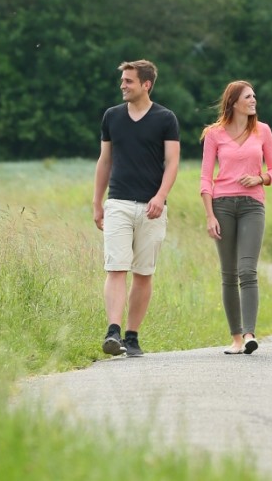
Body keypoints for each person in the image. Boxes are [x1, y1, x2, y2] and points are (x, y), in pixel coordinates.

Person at [93, 59, 180, 357]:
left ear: (146, 84)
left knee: (143, 273)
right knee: (116, 267)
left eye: (128, 81)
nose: (123, 85)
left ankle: (131, 336)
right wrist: (97, 202)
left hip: (151, 207)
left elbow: (172, 162)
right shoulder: (112, 117)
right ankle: (113, 331)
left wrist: (160, 196)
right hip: (117, 202)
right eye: (123, 80)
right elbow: (105, 161)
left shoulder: (166, 118)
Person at [200, 81, 272, 354]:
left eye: (254, 95)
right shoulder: (214, 134)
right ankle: (235, 337)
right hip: (222, 206)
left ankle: (249, 334)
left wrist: (260, 177)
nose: (254, 100)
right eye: (248, 96)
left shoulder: (263, 131)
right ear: (234, 102)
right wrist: (209, 215)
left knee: (247, 270)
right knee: (229, 273)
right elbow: (205, 177)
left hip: (252, 206)